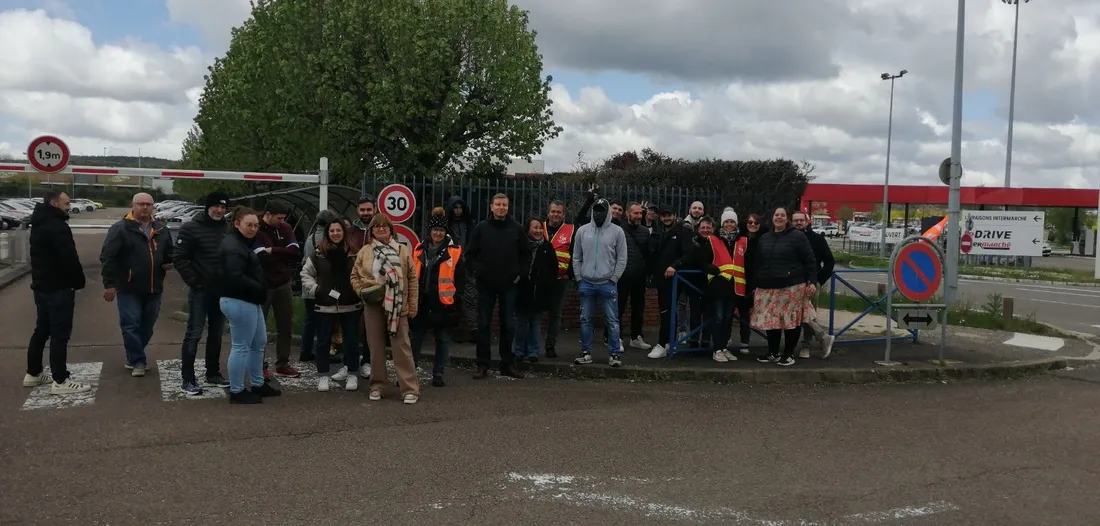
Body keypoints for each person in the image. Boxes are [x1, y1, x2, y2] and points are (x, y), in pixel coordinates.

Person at [23, 190, 91, 394]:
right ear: (54, 203)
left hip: (41, 286)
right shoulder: (58, 226)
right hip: (59, 287)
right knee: (60, 334)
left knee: (42, 329)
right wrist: (78, 281)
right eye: (66, 203)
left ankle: (33, 373)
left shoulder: (39, 223)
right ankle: (60, 380)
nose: (69, 207)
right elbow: (68, 257)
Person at [99, 192, 173, 378]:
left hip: (154, 287)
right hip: (128, 287)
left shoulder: (162, 229)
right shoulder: (120, 229)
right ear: (133, 205)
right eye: (141, 204)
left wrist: (169, 262)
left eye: (148, 204)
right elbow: (108, 258)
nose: (145, 207)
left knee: (147, 326)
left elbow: (170, 253)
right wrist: (110, 284)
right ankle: (138, 360)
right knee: (131, 324)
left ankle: (133, 355)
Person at [350, 213, 421, 403]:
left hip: (398, 305)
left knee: (402, 347)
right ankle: (378, 385)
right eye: (376, 227)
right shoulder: (365, 251)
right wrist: (361, 291)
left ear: (391, 229)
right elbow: (354, 276)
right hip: (373, 305)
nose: (381, 229)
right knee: (375, 348)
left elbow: (412, 279)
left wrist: (412, 305)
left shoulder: (402, 250)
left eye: (385, 226)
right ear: (372, 231)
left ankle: (409, 389)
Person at [216, 206, 281, 404]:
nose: (253, 229)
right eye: (248, 225)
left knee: (258, 343)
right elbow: (235, 277)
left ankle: (258, 384)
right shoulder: (233, 246)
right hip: (239, 300)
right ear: (237, 224)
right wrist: (260, 289)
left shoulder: (241, 243)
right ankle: (237, 391)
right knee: (241, 346)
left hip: (249, 300)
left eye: (256, 225)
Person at [173, 191, 231, 395]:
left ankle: (213, 374)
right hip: (200, 291)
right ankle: (187, 379)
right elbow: (179, 258)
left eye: (223, 208)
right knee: (194, 334)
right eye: (216, 206)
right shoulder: (191, 228)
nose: (220, 210)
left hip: (221, 291)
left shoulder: (227, 228)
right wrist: (195, 282)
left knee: (216, 334)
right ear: (208, 207)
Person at [464, 193, 528, 379]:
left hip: (509, 285)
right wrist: (478, 272)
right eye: (498, 204)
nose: (501, 208)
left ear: (508, 207)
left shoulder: (516, 229)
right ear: (491, 206)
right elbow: (469, 256)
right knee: (483, 325)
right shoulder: (481, 229)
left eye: (504, 205)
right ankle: (483, 364)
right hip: (486, 285)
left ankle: (507, 364)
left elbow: (525, 255)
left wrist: (519, 274)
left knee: (508, 325)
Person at [301, 219, 363, 392]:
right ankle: (323, 375)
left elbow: (362, 273)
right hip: (324, 305)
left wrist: (358, 291)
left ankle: (352, 373)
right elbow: (306, 273)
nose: (335, 233)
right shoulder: (318, 253)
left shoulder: (354, 253)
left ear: (344, 232)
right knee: (323, 342)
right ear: (328, 233)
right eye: (332, 230)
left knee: (351, 342)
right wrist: (315, 290)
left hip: (351, 305)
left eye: (338, 230)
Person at [752, 207, 817, 366]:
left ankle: (788, 354)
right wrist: (757, 281)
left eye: (782, 215)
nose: (779, 217)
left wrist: (812, 281)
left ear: (787, 219)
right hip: (768, 286)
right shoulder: (765, 238)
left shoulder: (798, 237)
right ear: (772, 218)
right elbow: (758, 262)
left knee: (791, 322)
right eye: (776, 215)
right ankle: (772, 352)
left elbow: (810, 260)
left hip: (792, 286)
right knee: (771, 321)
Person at [410, 207, 465, 387]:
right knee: (415, 340)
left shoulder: (455, 252)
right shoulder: (418, 249)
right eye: (435, 230)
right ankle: (410, 373)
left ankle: (438, 374)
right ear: (429, 231)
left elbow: (462, 279)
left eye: (441, 230)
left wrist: (457, 299)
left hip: (444, 303)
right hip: (421, 302)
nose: (438, 233)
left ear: (445, 232)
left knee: (442, 340)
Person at [572, 199, 628, 367]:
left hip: (607, 283)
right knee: (585, 319)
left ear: (608, 212)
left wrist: (614, 278)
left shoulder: (617, 232)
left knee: (612, 320)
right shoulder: (582, 231)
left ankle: (614, 354)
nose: (598, 214)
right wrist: (579, 278)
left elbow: (622, 258)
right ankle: (586, 352)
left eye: (602, 210)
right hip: (587, 282)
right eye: (596, 210)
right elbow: (576, 257)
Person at [542, 190, 594, 358]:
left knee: (556, 314)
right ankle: (532, 347)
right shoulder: (538, 227)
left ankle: (550, 345)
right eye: (553, 211)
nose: (555, 214)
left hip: (560, 279)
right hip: (539, 279)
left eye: (559, 212)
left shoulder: (571, 230)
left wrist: (569, 274)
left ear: (563, 214)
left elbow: (576, 255)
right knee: (534, 314)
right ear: (548, 212)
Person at [255, 199, 300, 379]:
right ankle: (260, 365)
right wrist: (282, 252)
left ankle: (283, 363)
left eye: (283, 218)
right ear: (268, 215)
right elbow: (258, 255)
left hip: (283, 283)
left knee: (285, 326)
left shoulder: (286, 228)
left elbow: (295, 250)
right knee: (260, 327)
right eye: (279, 218)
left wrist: (271, 250)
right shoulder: (256, 228)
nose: (282, 221)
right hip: (263, 285)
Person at [685, 216, 739, 362]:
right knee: (718, 318)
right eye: (726, 221)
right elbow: (701, 261)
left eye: (732, 222)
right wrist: (711, 268)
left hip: (733, 285)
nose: (729, 224)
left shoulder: (738, 241)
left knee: (728, 319)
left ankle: (723, 347)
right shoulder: (713, 240)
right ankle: (717, 349)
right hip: (717, 286)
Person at [646, 205, 694, 359]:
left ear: (674, 215)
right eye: (663, 215)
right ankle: (668, 343)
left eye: (669, 215)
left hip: (675, 280)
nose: (666, 218)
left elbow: (688, 255)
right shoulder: (659, 232)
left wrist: (675, 266)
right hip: (661, 280)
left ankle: (663, 343)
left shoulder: (684, 232)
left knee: (668, 311)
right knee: (665, 311)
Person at [609, 202, 653, 351]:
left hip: (639, 276)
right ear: (627, 214)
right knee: (618, 308)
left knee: (638, 308)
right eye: (635, 213)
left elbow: (648, 253)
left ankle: (636, 337)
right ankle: (617, 338)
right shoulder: (618, 230)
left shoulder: (645, 231)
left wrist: (647, 272)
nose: (638, 216)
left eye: (640, 213)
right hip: (622, 275)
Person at [298, 210, 340, 363]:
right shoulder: (327, 240)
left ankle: (305, 351)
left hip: (308, 286)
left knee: (310, 320)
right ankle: (324, 353)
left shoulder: (311, 237)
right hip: (322, 286)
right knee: (325, 321)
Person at [792, 211, 836, 359]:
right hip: (792, 283)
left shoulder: (817, 239)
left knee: (809, 314)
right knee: (799, 314)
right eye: (795, 220)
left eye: (801, 220)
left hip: (811, 283)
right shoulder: (788, 238)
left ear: (807, 221)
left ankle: (806, 346)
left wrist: (819, 280)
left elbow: (829, 261)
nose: (798, 223)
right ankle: (823, 337)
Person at [514, 217, 558, 362]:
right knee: (521, 323)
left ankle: (533, 351)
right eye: (535, 228)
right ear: (528, 229)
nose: (538, 230)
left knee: (536, 324)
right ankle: (519, 350)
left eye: (540, 228)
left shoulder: (547, 248)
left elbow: (553, 271)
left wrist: (549, 291)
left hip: (539, 292)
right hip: (522, 291)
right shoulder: (520, 246)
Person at [348, 198, 375, 376]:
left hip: (373, 285)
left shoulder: (380, 229)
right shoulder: (350, 231)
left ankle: (367, 361)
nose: (365, 213)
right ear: (358, 211)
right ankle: (349, 362)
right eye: (362, 210)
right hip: (352, 284)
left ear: (375, 210)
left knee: (370, 326)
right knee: (351, 325)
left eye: (368, 210)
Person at [444, 195, 477, 343]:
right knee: (451, 296)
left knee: (468, 296)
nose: (458, 210)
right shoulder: (446, 225)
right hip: (450, 264)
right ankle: (454, 328)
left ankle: (471, 328)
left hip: (466, 262)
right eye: (455, 208)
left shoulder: (469, 224)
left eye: (460, 208)